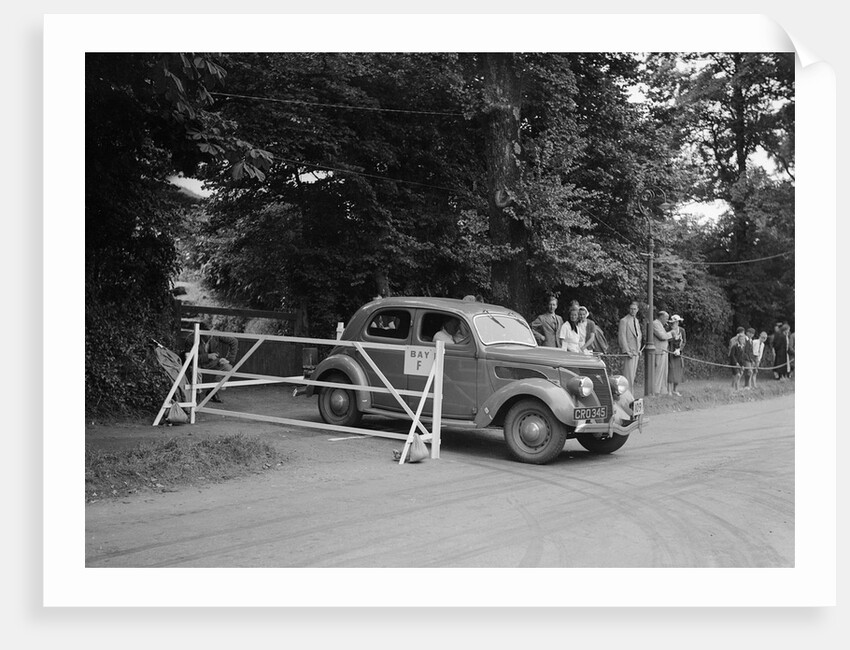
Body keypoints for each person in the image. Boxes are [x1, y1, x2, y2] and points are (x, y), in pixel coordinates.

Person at [184, 323, 238, 403]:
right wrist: (207, 356)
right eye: (208, 333)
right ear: (201, 331)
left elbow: (234, 341)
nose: (210, 335)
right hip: (197, 363)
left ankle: (212, 392)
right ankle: (196, 396)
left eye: (212, 331)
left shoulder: (215, 335)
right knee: (195, 371)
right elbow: (189, 358)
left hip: (212, 362)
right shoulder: (190, 339)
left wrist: (229, 359)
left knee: (228, 367)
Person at [618, 301, 642, 389]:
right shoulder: (624, 321)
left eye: (634, 309)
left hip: (636, 352)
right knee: (628, 375)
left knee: (632, 375)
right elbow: (622, 336)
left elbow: (638, 335)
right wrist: (627, 350)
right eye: (631, 309)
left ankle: (631, 395)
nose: (633, 311)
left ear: (637, 310)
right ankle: (627, 395)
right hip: (629, 352)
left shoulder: (636, 321)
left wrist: (638, 349)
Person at [651, 310, 673, 395]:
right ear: (661, 317)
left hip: (663, 351)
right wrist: (671, 333)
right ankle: (655, 390)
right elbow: (662, 336)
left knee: (663, 372)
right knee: (658, 372)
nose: (667, 320)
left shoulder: (661, 325)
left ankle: (662, 390)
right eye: (666, 318)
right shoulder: (655, 324)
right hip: (658, 351)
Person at [667, 314, 686, 396]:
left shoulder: (682, 330)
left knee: (678, 371)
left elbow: (684, 341)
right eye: (672, 323)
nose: (673, 324)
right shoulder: (668, 330)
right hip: (670, 352)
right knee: (670, 371)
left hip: (678, 354)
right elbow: (666, 339)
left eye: (674, 323)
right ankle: (669, 390)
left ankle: (675, 389)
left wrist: (679, 349)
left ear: (678, 323)